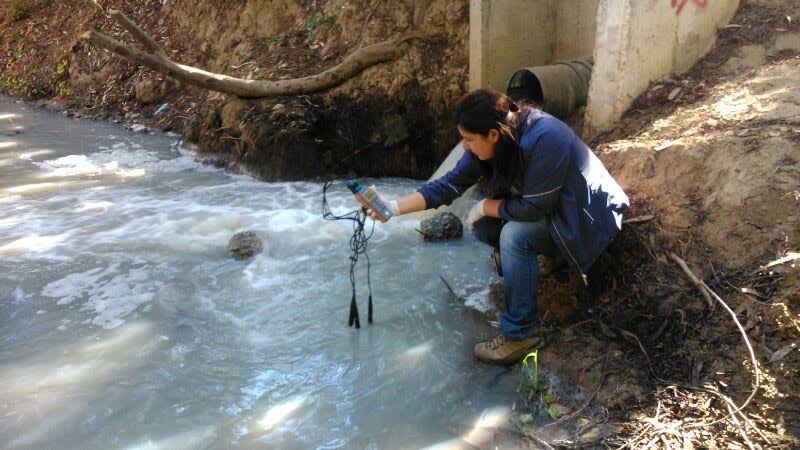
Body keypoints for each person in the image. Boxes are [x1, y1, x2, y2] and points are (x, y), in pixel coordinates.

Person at [367, 88, 629, 365]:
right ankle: (536, 264)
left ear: (492, 134)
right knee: (485, 227)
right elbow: (448, 185)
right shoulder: (499, 135)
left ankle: (521, 335)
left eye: (469, 140)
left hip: (586, 217)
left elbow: (533, 208)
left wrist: (484, 207)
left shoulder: (547, 137)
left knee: (514, 236)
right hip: (555, 210)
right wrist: (392, 208)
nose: (465, 147)